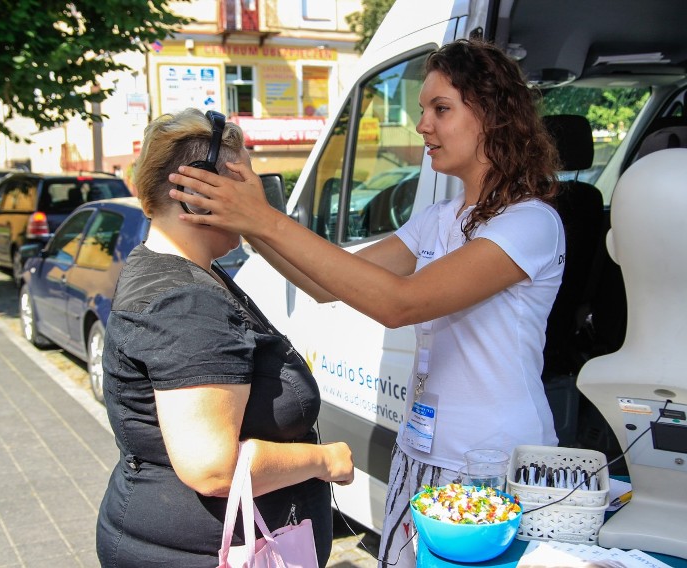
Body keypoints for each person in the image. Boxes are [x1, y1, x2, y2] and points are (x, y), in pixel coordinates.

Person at [169, 38, 564, 567]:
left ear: (493, 115)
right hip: (421, 453)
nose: (422, 124)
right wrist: (248, 222)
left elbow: (401, 303)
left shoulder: (531, 222)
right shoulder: (438, 218)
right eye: (423, 110)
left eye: (440, 109)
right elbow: (325, 284)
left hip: (491, 461)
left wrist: (264, 220)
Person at [95, 108, 354, 568]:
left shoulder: (166, 268)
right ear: (198, 195)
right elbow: (212, 467)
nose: (257, 201)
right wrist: (324, 460)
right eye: (247, 186)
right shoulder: (188, 302)